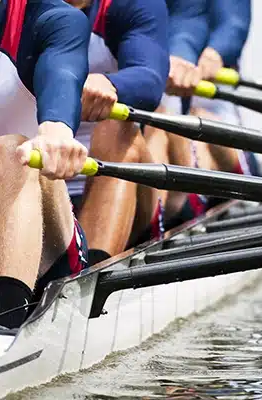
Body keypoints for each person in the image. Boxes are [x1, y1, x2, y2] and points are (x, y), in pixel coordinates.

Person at [0, 0, 91, 329]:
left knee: (15, 150)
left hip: (47, 244)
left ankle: (6, 319)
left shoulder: (54, 20)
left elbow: (62, 73)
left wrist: (55, 129)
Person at [64, 0, 170, 264]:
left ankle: (88, 277)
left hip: (110, 180)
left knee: (116, 126)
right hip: (36, 179)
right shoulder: (14, 11)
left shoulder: (129, 6)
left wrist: (109, 84)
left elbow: (150, 79)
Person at [145, 0, 258, 229]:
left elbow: (234, 25)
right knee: (162, 123)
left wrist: (213, 56)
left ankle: (186, 199)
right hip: (164, 124)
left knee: (196, 120)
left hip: (216, 124)